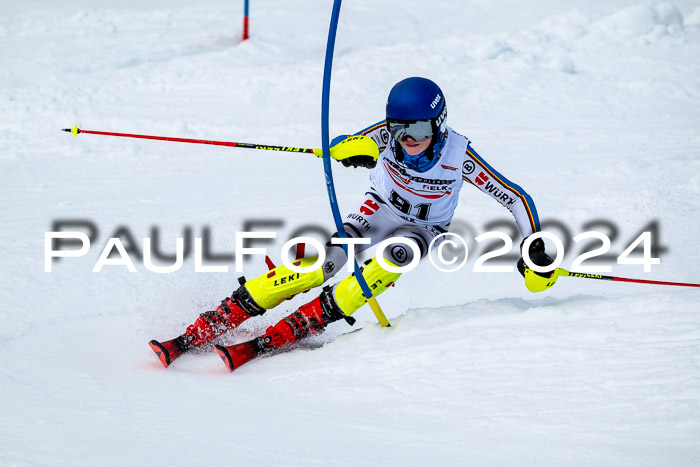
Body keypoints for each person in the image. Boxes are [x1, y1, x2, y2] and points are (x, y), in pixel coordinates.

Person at [149, 77, 555, 370]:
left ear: (438, 124)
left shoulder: (458, 155)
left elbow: (515, 197)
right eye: (399, 129)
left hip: (422, 230)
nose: (406, 140)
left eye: (416, 129)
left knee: (394, 259)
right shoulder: (388, 137)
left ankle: (295, 328)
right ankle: (209, 325)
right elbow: (348, 143)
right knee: (321, 265)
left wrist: (532, 246)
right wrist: (349, 149)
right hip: (378, 211)